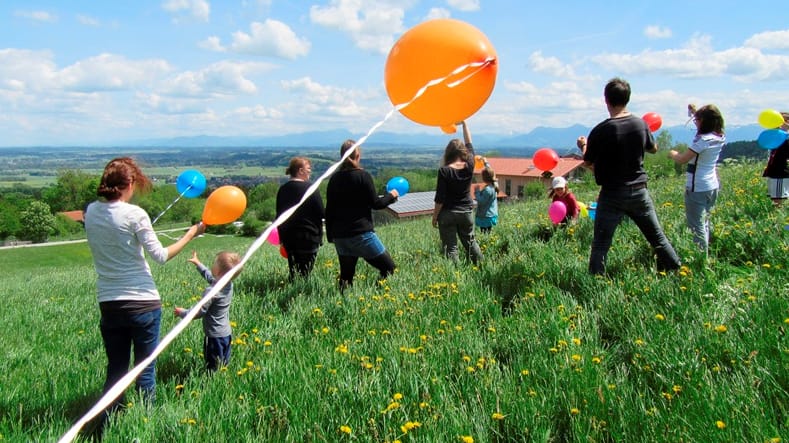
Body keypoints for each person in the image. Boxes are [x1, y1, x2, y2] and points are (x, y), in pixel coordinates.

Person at [84, 157, 205, 409]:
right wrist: (190, 234)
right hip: (143, 304)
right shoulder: (135, 214)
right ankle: (145, 422)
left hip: (109, 303)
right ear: (129, 182)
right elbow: (160, 256)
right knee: (145, 370)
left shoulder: (91, 211)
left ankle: (109, 424)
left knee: (116, 372)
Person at [577, 78, 681, 275]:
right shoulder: (640, 124)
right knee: (656, 237)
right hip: (639, 191)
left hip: (612, 194)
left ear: (606, 100)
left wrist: (583, 145)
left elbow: (588, 162)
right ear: (628, 99)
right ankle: (676, 269)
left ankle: (595, 281)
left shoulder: (601, 130)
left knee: (601, 244)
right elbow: (653, 148)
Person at [325, 140, 399, 292]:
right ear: (358, 155)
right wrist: (391, 196)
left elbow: (329, 210)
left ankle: (343, 305)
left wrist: (331, 236)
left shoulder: (334, 179)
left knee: (346, 278)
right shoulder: (363, 176)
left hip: (341, 236)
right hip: (361, 234)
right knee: (389, 268)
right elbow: (376, 204)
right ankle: (377, 295)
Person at [669, 104, 725, 254]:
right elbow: (706, 119)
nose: (695, 122)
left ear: (703, 121)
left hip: (697, 187)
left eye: (697, 119)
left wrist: (673, 154)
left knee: (696, 226)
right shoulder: (719, 137)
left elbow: (682, 159)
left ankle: (701, 259)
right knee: (705, 222)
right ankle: (705, 253)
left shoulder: (703, 141)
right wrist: (695, 111)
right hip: (712, 186)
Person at [174, 250, 241, 372]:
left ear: (220, 272)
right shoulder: (229, 284)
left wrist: (182, 313)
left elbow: (199, 311)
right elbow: (211, 277)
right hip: (226, 334)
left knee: (212, 366)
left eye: (215, 263)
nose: (213, 264)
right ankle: (222, 380)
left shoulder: (212, 291)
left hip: (214, 336)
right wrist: (198, 264)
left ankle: (213, 383)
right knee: (223, 364)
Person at [433, 121, 483, 264]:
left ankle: (455, 277)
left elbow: (440, 198)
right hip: (466, 212)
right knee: (471, 243)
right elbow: (470, 143)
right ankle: (482, 267)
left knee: (451, 248)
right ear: (463, 153)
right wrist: (465, 124)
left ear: (448, 153)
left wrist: (435, 216)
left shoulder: (444, 170)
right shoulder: (470, 165)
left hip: (447, 213)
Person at [275, 157, 325, 280]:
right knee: (306, 273)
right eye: (308, 169)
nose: (310, 172)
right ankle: (300, 295)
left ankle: (294, 291)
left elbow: (279, 216)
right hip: (309, 236)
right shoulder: (311, 188)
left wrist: (281, 239)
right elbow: (321, 212)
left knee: (294, 272)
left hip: (289, 239)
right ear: (301, 170)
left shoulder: (283, 190)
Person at [762, 112, 789, 207]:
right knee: (774, 199)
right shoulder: (777, 138)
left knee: (778, 200)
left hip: (780, 173)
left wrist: (785, 132)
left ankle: (779, 220)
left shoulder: (785, 139)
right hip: (773, 172)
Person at [474, 160, 499, 234]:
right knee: (489, 232)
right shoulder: (494, 185)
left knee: (484, 233)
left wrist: (477, 191)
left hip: (485, 216)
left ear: (484, 178)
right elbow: (491, 172)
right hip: (491, 215)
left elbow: (481, 201)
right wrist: (486, 163)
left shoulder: (488, 190)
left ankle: (485, 243)